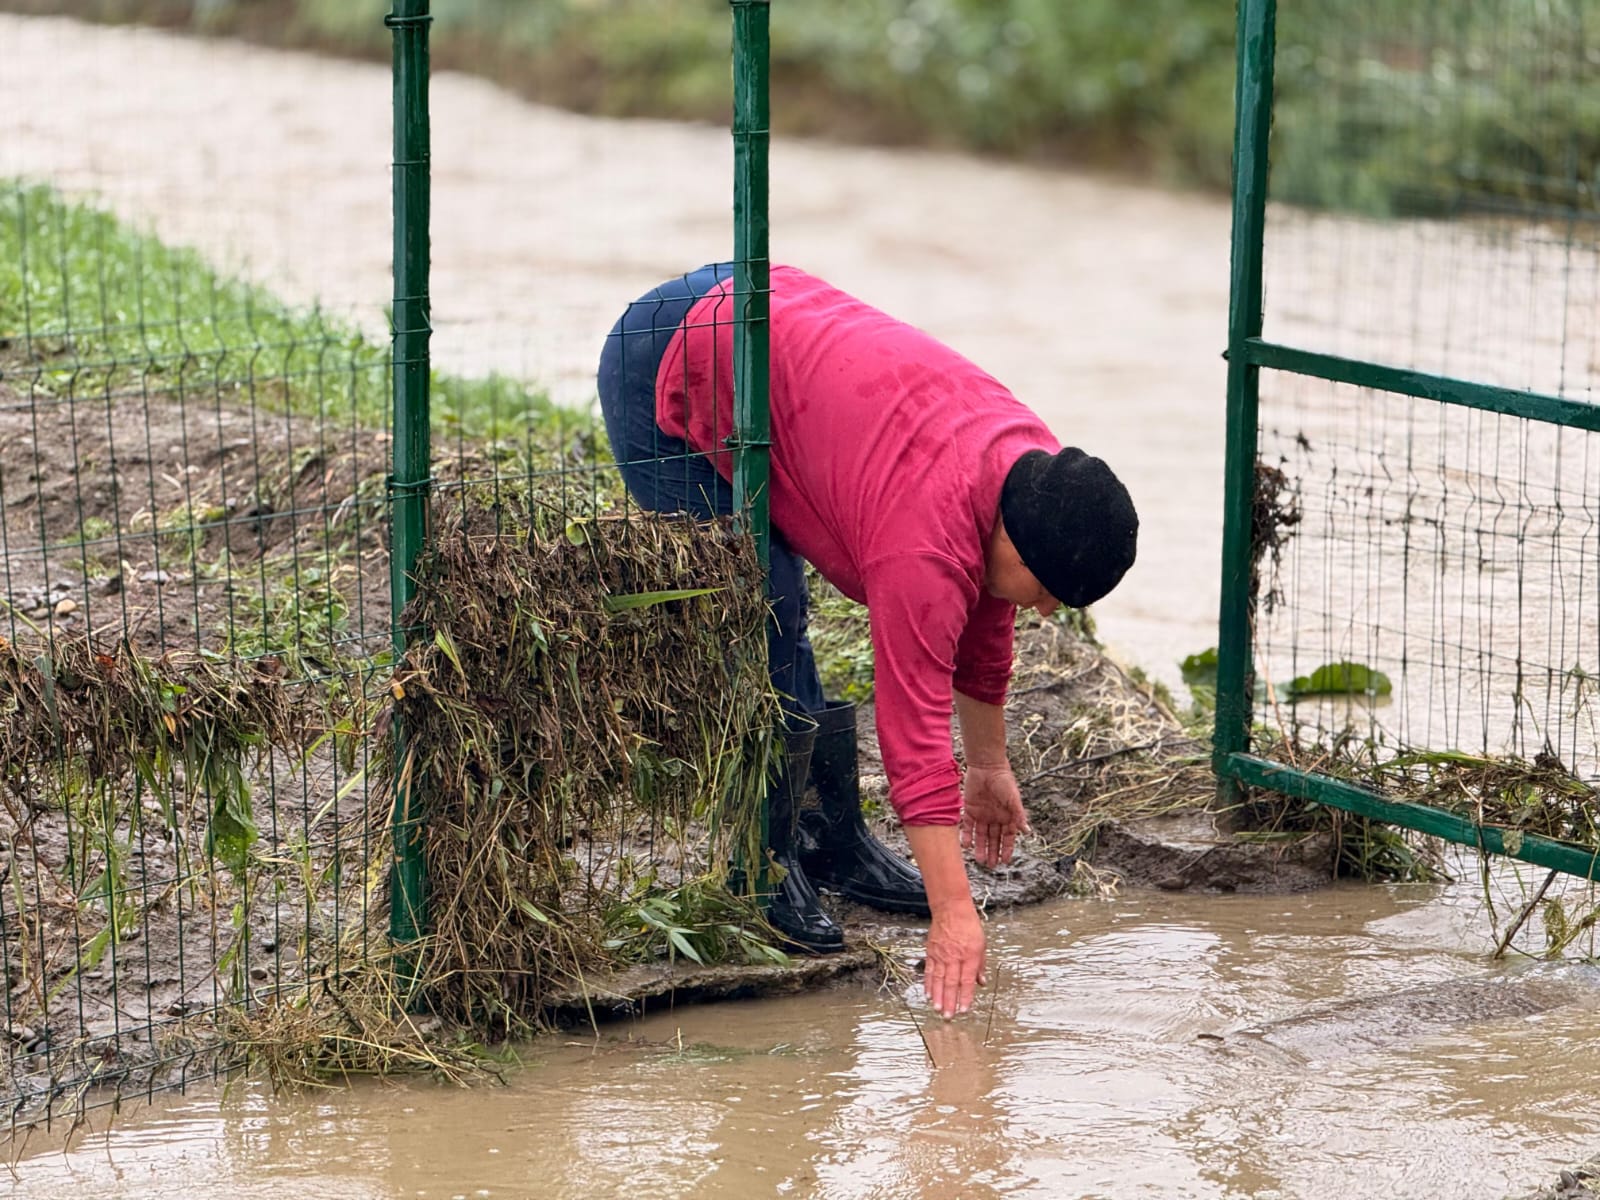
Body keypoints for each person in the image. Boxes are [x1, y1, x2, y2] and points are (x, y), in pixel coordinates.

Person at [596, 263, 1138, 1019]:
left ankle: (833, 843)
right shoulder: (927, 544)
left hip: (771, 326)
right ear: (1021, 543)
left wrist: (987, 766)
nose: (1046, 611)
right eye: (1048, 591)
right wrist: (955, 912)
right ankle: (762, 863)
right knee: (763, 609)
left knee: (779, 603)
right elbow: (911, 730)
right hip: (671, 356)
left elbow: (987, 618)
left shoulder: (1030, 472)